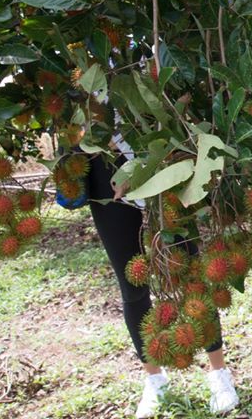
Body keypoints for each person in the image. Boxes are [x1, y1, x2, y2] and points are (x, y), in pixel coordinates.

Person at [85, 146, 239, 417]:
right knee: (131, 285)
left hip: (161, 156)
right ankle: (155, 379)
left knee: (191, 274)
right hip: (103, 170)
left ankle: (219, 372)